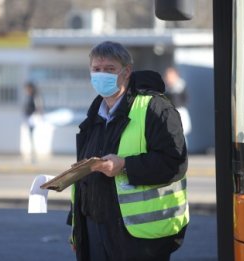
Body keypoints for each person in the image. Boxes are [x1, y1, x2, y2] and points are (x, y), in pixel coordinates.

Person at [68, 41, 189, 261]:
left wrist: (124, 165)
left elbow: (175, 163)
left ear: (126, 72)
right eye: (96, 69)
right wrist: (78, 232)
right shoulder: (94, 115)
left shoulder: (155, 108)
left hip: (139, 238)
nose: (101, 75)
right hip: (94, 229)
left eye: (110, 69)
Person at [164, 66, 192, 140]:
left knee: (180, 136)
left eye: (170, 75)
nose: (168, 78)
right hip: (171, 114)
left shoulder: (180, 86)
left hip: (180, 113)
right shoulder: (167, 89)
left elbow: (181, 101)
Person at [23, 81, 43, 163]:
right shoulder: (30, 96)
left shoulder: (35, 97)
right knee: (31, 138)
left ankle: (33, 157)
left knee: (33, 138)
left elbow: (38, 107)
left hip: (33, 119)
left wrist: (36, 115)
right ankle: (32, 156)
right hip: (30, 119)